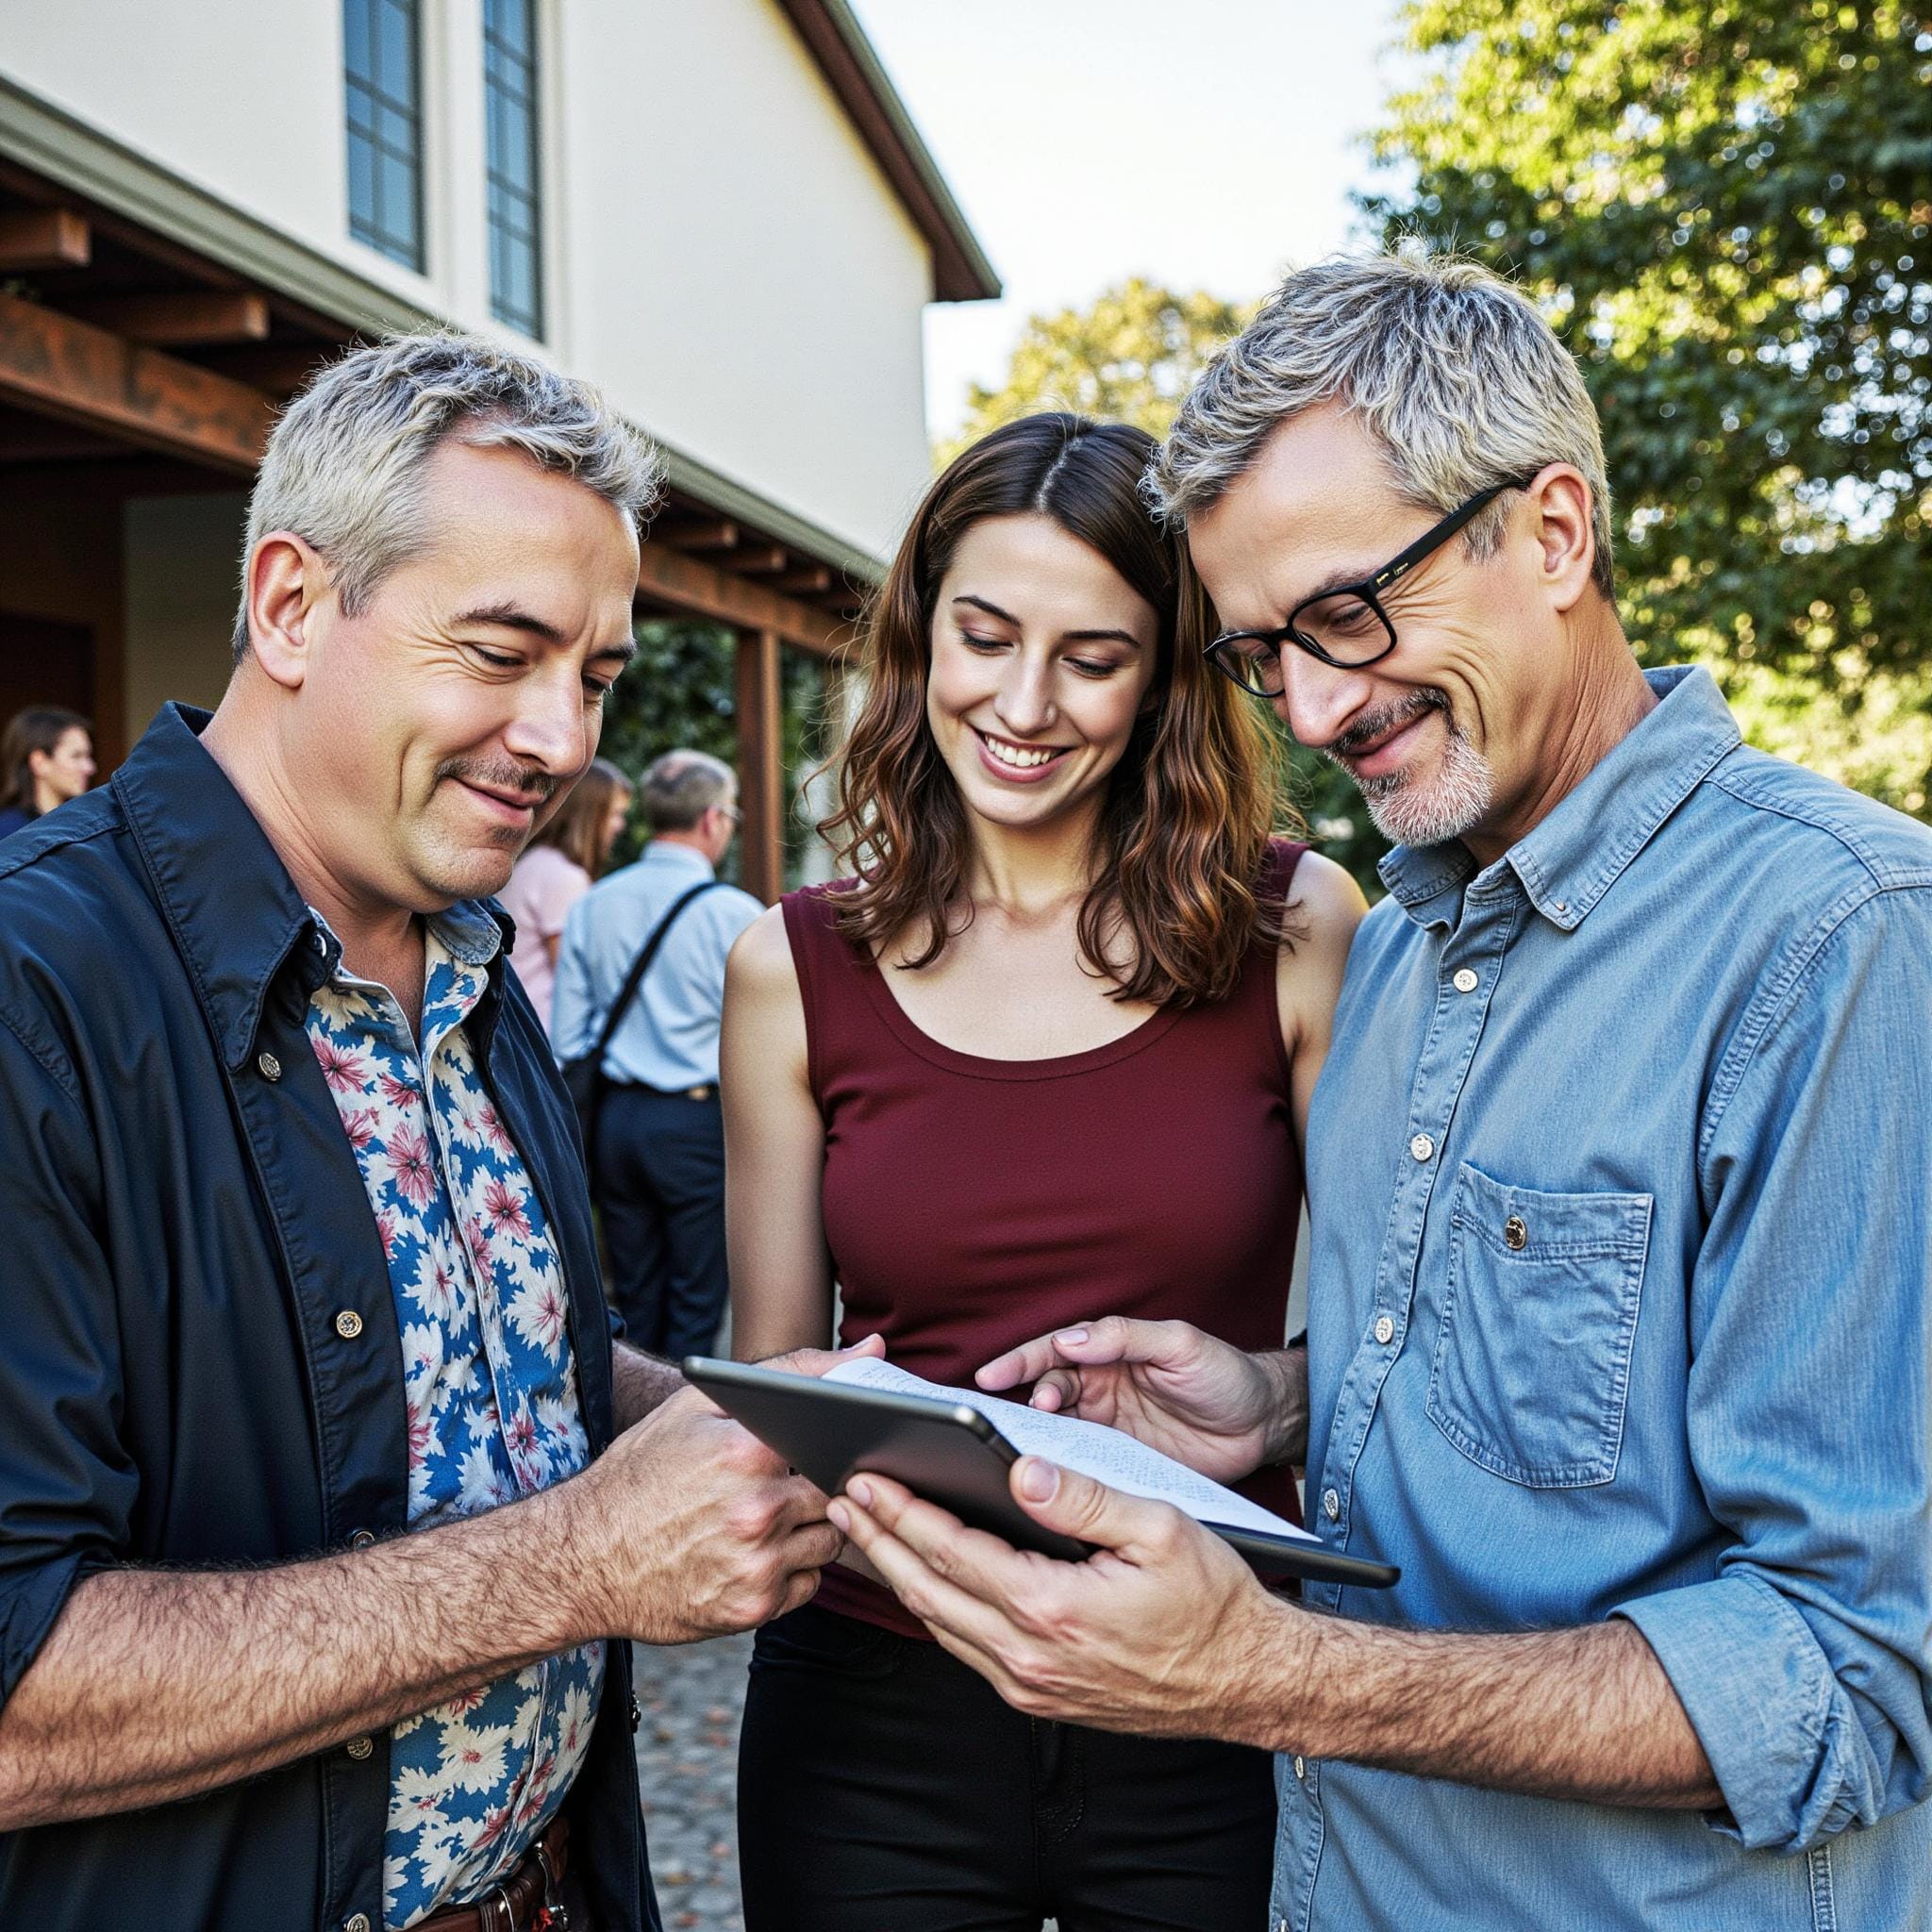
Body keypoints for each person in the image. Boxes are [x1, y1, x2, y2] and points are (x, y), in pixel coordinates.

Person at [829, 253, 1932, 1930]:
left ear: (1553, 531)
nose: (1315, 707)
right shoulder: (1406, 938)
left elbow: (1850, 1671)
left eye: (1348, 614)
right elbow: (1546, 1410)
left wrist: (1264, 1674)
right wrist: (1273, 1400)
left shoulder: (1837, 940)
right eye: (1263, 651)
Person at [0, 330, 872, 1932]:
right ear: (288, 604)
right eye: (499, 650)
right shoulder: (34, 988)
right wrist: (579, 1562)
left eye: (595, 676)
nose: (560, 738)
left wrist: (752, 1420)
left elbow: (488, 1347)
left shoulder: (468, 958)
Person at [723, 412, 1364, 1932]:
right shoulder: (790, 966)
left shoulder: (1298, 926)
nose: (1023, 704)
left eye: (1092, 655)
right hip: (877, 1706)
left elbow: (1389, 1352)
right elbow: (772, 1375)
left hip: (1214, 1686)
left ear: (1162, 681)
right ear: (918, 631)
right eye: (985, 636)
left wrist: (1266, 1388)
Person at [553, 750, 762, 1357]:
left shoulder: (594, 903)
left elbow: (567, 1036)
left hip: (615, 1121)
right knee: (698, 1301)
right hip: (697, 1124)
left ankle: (635, 1435)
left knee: (635, 1300)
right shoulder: (734, 915)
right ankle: (688, 1430)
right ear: (713, 819)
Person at [501, 754, 633, 1034]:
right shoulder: (563, 877)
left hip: (517, 1025)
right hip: (545, 1033)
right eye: (615, 814)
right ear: (590, 815)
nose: (620, 825)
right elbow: (572, 973)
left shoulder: (536, 861)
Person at [0, 704, 95, 839]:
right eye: (76, 756)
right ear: (40, 762)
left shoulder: (85, 826)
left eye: (88, 756)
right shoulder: (9, 832)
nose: (90, 768)